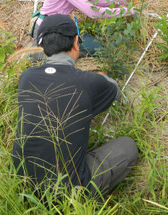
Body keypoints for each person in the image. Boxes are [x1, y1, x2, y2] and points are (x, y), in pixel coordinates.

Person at [13, 14, 138, 198]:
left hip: (23, 185)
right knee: (127, 147)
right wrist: (100, 77)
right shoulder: (87, 83)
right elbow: (114, 90)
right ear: (76, 42)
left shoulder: (26, 78)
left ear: (43, 47)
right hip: (67, 195)